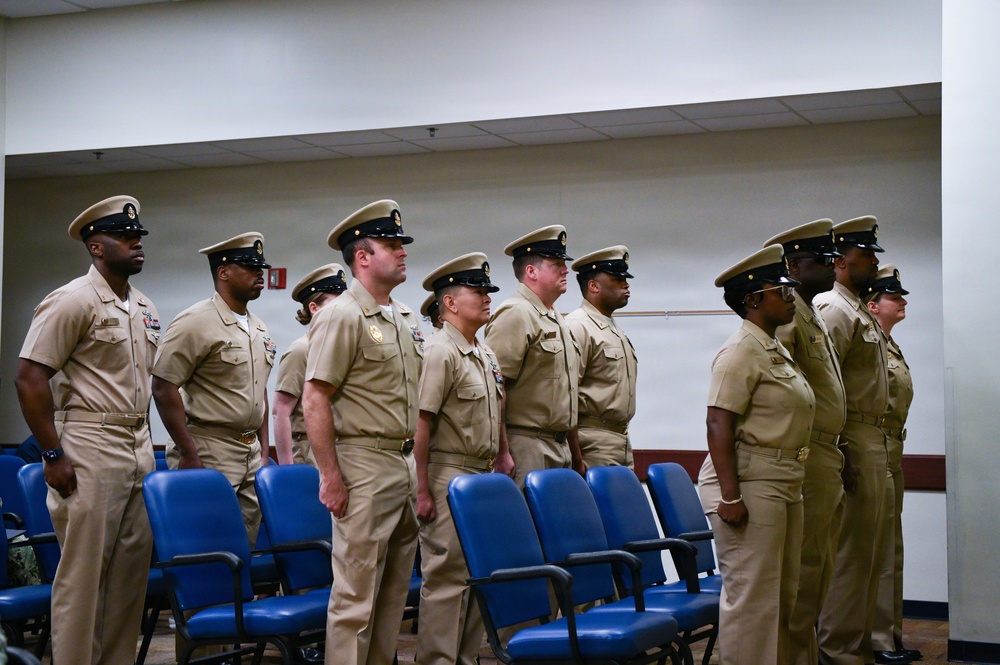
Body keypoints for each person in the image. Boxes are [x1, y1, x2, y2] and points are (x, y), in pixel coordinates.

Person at [15, 195, 159, 665]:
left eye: (138, 237)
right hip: (89, 443)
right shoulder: (73, 299)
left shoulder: (142, 305)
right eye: (125, 237)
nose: (136, 243)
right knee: (83, 578)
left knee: (129, 578)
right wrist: (53, 454)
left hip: (137, 444)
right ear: (96, 247)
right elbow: (30, 377)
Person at [301, 199, 422, 665]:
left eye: (401, 245)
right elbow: (315, 398)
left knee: (392, 596)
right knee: (355, 599)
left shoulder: (402, 317)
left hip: (401, 463)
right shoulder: (341, 314)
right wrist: (329, 475)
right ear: (363, 257)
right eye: (391, 245)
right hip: (362, 467)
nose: (402, 252)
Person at [698, 243, 815, 665]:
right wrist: (730, 495)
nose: (790, 298)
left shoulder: (773, 346)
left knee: (782, 597)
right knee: (754, 601)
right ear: (752, 300)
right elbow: (718, 423)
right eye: (780, 291)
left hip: (782, 480)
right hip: (749, 482)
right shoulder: (740, 350)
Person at [414, 252, 515, 665]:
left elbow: (499, 409)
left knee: (478, 575)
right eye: (478, 292)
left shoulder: (485, 352)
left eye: (488, 291)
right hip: (447, 474)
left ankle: (464, 658)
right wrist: (420, 488)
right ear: (450, 303)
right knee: (446, 577)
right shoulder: (440, 351)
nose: (487, 298)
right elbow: (422, 423)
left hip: (480, 476)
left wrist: (504, 453)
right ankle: (438, 660)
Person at [151, 232, 275, 546]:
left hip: (249, 451)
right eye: (249, 267)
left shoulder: (258, 327)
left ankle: (239, 599)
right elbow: (164, 387)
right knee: (208, 546)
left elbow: (259, 393)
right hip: (208, 447)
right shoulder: (195, 322)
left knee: (244, 547)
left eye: (260, 267)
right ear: (223, 273)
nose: (259, 273)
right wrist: (188, 452)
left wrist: (263, 451)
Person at [764, 220, 849, 665]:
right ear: (795, 265)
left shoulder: (810, 310)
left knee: (819, 566)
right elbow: (780, 390)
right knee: (802, 570)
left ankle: (805, 654)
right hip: (806, 453)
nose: (834, 265)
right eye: (823, 259)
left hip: (827, 451)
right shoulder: (787, 314)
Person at [813, 216, 893, 665]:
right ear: (841, 261)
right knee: (849, 556)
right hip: (853, 434)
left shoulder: (857, 309)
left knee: (868, 554)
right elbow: (828, 385)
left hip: (874, 435)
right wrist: (841, 447)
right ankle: (838, 651)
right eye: (868, 255)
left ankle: (855, 647)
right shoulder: (834, 309)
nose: (875, 262)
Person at [483, 225, 583, 486]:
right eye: (557, 264)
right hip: (527, 445)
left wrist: (575, 452)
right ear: (531, 271)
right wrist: (501, 451)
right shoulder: (516, 313)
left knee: (556, 527)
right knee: (529, 524)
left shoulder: (556, 317)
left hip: (559, 446)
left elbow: (567, 393)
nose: (565, 270)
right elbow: (496, 389)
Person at [864, 266, 921, 664]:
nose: (901, 301)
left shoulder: (888, 345)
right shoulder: (867, 348)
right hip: (872, 448)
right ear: (872, 305)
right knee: (874, 551)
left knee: (891, 549)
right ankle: (877, 640)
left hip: (891, 448)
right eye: (892, 296)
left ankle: (891, 636)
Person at [566, 245, 638, 468]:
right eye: (617, 279)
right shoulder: (578, 326)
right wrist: (576, 457)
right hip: (591, 444)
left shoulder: (612, 327)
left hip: (620, 440)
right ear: (593, 286)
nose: (626, 284)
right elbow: (566, 397)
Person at [273, 264, 347, 466]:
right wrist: (287, 468)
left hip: (344, 450)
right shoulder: (301, 350)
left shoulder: (343, 348)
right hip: (310, 453)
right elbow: (281, 411)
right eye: (336, 304)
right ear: (314, 308)